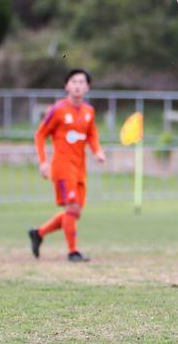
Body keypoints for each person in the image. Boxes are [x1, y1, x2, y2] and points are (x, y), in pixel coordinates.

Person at [29, 68, 105, 262]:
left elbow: (92, 135)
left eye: (82, 82)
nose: (78, 85)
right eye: (74, 82)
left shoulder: (89, 111)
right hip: (62, 167)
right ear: (66, 86)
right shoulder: (58, 110)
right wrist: (43, 162)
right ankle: (73, 252)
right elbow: (40, 135)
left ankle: (38, 233)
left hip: (80, 167)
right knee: (72, 207)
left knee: (75, 212)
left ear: (88, 87)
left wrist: (97, 151)